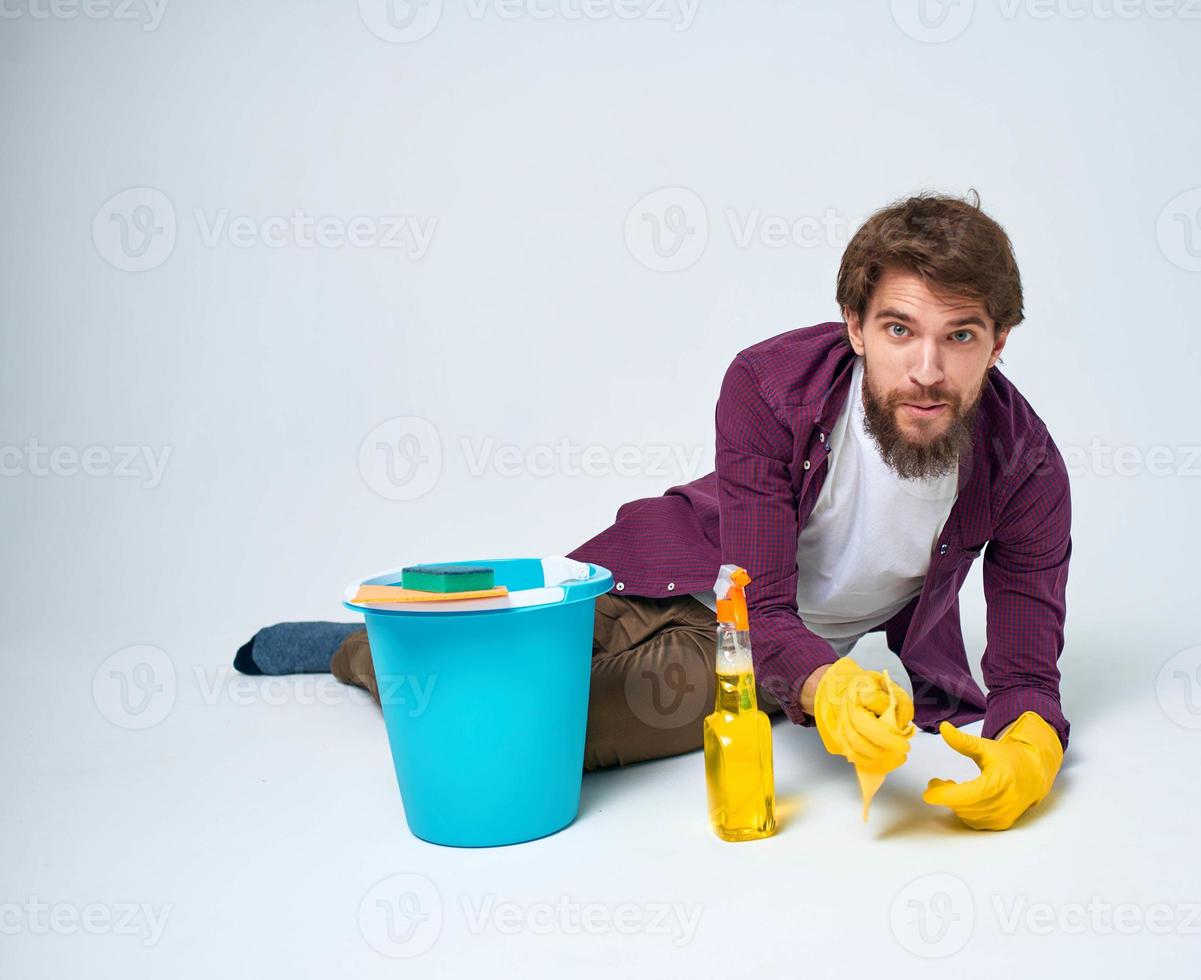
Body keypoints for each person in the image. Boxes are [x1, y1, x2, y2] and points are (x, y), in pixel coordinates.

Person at [237, 191, 1072, 831]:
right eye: (899, 329)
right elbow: (769, 594)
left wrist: (1032, 752)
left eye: (960, 336)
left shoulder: (1027, 468)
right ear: (854, 326)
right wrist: (826, 683)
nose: (927, 369)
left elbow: (1028, 676)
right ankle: (364, 644)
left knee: (523, 728)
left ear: (998, 343)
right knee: (494, 636)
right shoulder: (767, 386)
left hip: (738, 652)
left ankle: (386, 653)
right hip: (668, 564)